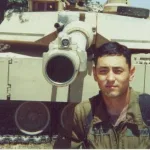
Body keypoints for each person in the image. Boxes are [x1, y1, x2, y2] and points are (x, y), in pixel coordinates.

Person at [53, 42, 150, 149]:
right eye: (103, 71)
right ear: (95, 74)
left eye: (118, 71)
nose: (110, 78)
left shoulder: (146, 108)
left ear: (131, 73)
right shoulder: (83, 113)